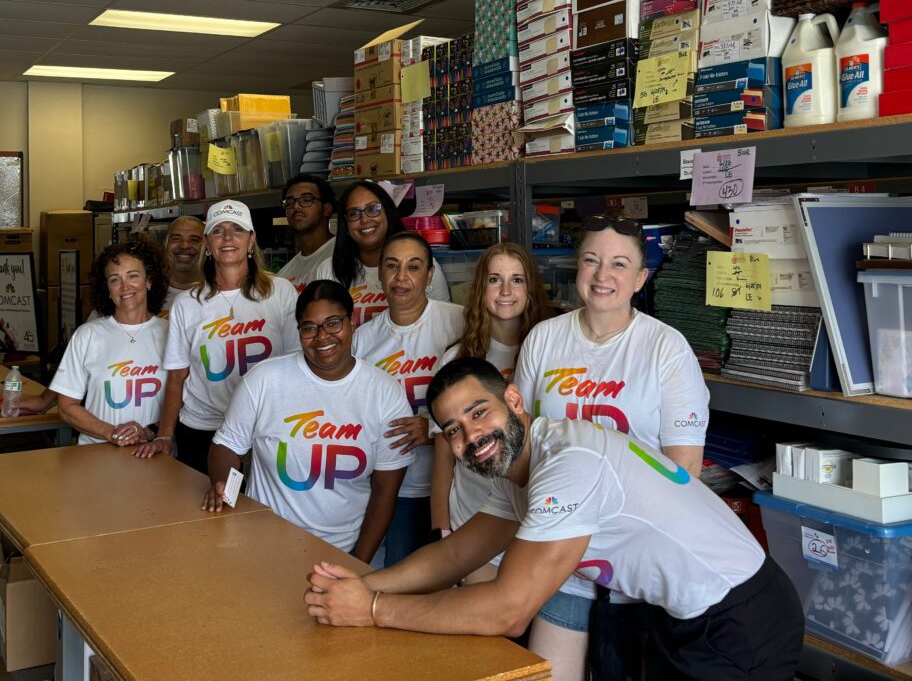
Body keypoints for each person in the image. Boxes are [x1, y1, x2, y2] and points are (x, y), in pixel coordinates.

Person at [305, 358, 804, 681]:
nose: (469, 437)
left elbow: (508, 610)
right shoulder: (526, 462)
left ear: (515, 401)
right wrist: (367, 584)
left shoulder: (569, 464)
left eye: (479, 413)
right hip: (691, 615)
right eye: (452, 430)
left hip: (740, 620)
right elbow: (458, 552)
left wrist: (371, 609)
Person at [513, 213, 710, 679]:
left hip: (635, 566)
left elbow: (685, 474)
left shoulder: (666, 348)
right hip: (558, 553)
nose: (603, 276)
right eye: (591, 261)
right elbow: (521, 445)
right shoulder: (544, 338)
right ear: (576, 267)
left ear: (641, 278)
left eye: (619, 265)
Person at [202, 280, 413, 563]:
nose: (322, 336)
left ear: (351, 323)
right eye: (309, 327)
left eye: (333, 323)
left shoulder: (385, 393)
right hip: (261, 546)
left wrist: (358, 565)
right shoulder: (264, 379)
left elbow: (385, 491)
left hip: (342, 550)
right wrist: (223, 486)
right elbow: (227, 447)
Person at [133, 199, 299, 473]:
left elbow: (295, 365)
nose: (228, 237)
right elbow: (177, 376)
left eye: (237, 229)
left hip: (263, 426)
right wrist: (164, 434)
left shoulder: (280, 292)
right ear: (207, 244)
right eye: (218, 231)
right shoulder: (187, 303)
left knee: (256, 513)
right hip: (201, 429)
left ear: (251, 239)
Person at [430, 242, 548, 584]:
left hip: (538, 519)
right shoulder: (457, 360)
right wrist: (443, 529)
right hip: (473, 518)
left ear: (531, 289)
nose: (507, 291)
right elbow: (442, 458)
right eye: (495, 280)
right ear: (481, 288)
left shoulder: (549, 351)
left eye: (518, 280)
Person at [353, 232, 463, 565]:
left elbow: (484, 400)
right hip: (389, 489)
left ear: (430, 275)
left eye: (414, 267)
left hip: (449, 487)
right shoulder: (363, 339)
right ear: (380, 275)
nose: (402, 277)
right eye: (392, 266)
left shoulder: (458, 321)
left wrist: (430, 427)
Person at [49, 239, 169, 445]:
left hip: (155, 455)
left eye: (133, 276)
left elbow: (185, 401)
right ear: (107, 288)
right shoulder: (87, 335)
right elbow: (67, 407)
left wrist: (150, 432)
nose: (124, 286)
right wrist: (112, 433)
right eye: (115, 279)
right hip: (98, 455)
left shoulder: (171, 334)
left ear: (149, 280)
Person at [314, 181, 449, 326]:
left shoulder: (420, 264)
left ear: (388, 213)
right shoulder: (329, 270)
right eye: (354, 213)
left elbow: (443, 324)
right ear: (345, 224)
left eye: (373, 209)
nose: (364, 219)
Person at [276, 175, 336, 293]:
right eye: (290, 202)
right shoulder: (283, 276)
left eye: (307, 200)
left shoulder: (344, 254)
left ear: (326, 209)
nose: (296, 206)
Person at [162, 215, 205, 312]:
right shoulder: (146, 292)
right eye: (176, 238)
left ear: (207, 247)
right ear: (165, 244)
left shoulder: (218, 294)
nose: (184, 245)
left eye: (194, 240)